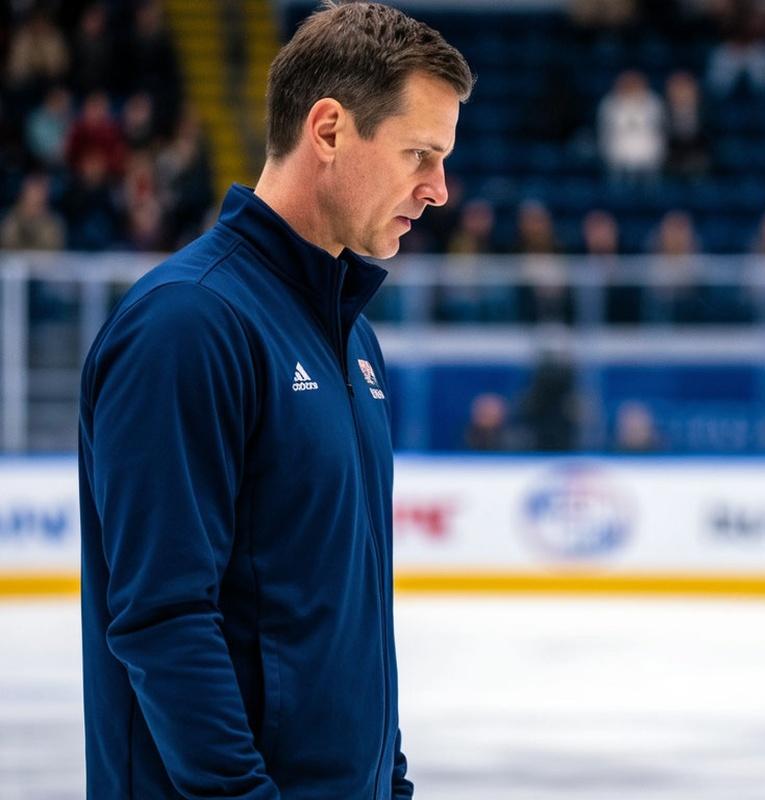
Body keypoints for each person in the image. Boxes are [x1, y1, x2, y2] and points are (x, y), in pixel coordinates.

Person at [78, 3, 473, 798]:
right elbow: (164, 621)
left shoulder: (350, 337)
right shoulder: (187, 325)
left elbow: (349, 614)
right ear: (327, 130)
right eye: (419, 155)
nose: (437, 190)